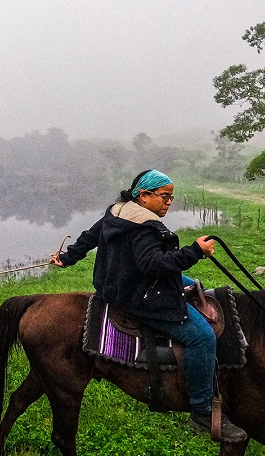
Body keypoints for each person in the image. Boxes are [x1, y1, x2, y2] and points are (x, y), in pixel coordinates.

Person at [50, 169, 247, 442]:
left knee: (192, 284)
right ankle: (202, 410)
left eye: (172, 197)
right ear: (143, 196)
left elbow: (90, 236)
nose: (169, 202)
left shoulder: (118, 211)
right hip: (138, 293)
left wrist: (68, 257)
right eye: (164, 197)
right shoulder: (146, 227)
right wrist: (194, 252)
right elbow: (152, 264)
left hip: (118, 283)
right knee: (201, 337)